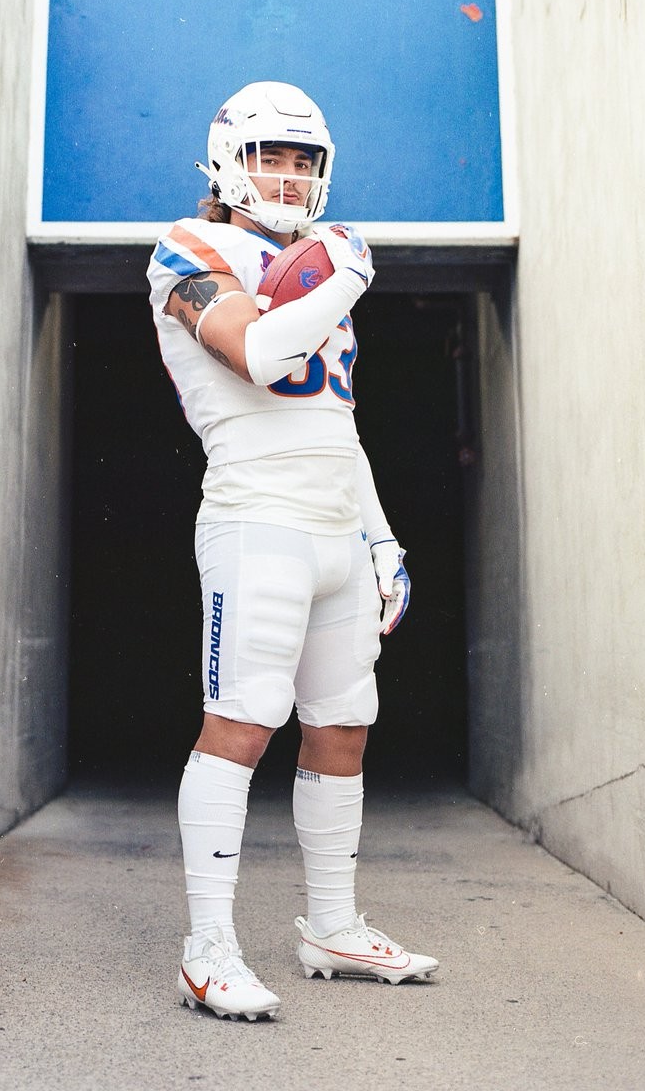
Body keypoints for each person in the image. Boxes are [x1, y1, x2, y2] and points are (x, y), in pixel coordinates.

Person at [147, 81, 438, 1022]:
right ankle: (206, 949)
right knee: (242, 723)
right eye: (269, 156)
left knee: (344, 724)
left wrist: (381, 537)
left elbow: (334, 425)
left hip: (334, 526)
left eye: (302, 160)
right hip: (257, 518)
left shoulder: (316, 260)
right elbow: (262, 357)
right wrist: (345, 277)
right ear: (227, 162)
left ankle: (332, 926)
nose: (286, 175)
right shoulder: (189, 249)